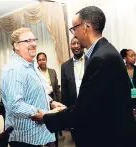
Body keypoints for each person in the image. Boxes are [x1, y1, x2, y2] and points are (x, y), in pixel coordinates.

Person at [32, 6, 136, 147]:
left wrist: (46, 117)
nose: (74, 33)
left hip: (107, 137)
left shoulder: (100, 58)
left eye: (74, 28)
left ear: (85, 27)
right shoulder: (107, 51)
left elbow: (84, 111)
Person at [0, 28, 65, 147]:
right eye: (28, 40)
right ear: (16, 45)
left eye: (34, 40)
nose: (34, 43)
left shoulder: (31, 65)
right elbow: (15, 105)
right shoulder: (14, 69)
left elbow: (37, 91)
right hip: (27, 139)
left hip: (41, 135)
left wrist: (51, 102)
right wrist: (42, 114)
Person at [61, 36, 87, 139]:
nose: (76, 46)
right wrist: (65, 115)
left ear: (83, 45)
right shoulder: (65, 66)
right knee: (78, 138)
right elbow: (64, 91)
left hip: (91, 107)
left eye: (78, 43)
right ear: (70, 46)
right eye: (73, 44)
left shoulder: (92, 61)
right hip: (74, 109)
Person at [37, 52, 62, 147]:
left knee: (54, 123)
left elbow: (56, 88)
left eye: (43, 59)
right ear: (37, 61)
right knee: (45, 123)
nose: (42, 61)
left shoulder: (52, 71)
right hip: (42, 101)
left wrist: (59, 101)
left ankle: (56, 142)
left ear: (46, 60)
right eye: (39, 60)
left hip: (53, 101)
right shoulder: (35, 73)